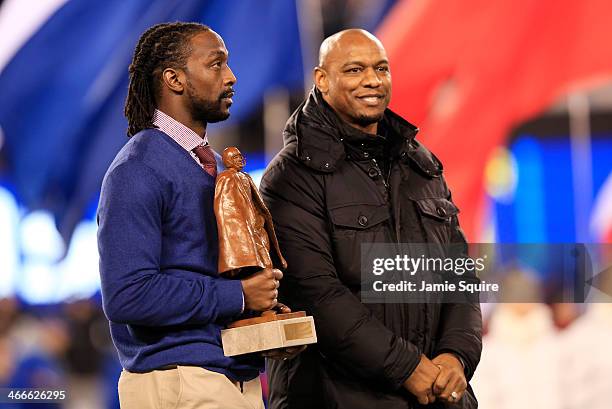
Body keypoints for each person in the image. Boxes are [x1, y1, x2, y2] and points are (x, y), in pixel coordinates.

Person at [260, 29, 482, 408]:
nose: (372, 80)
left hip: (436, 395)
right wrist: (410, 369)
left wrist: (455, 356)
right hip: (333, 396)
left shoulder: (421, 166)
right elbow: (317, 295)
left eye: (381, 68)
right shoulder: (291, 177)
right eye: (354, 69)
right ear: (322, 80)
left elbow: (459, 275)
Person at [97, 22, 287, 409]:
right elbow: (127, 295)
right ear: (175, 79)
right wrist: (237, 295)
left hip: (232, 375)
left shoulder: (213, 165)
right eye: (216, 64)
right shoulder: (137, 168)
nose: (231, 77)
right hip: (178, 379)